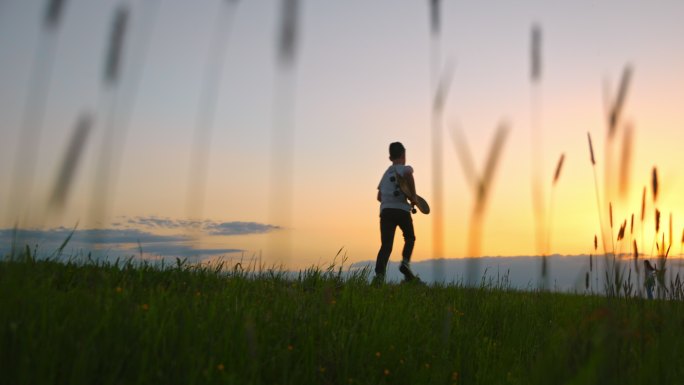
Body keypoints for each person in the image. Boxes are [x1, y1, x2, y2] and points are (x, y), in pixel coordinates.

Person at [373, 142, 421, 285]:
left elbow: (379, 197)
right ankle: (405, 263)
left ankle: (379, 277)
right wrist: (413, 196)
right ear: (403, 155)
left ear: (390, 157)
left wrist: (389, 199)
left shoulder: (386, 174)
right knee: (410, 238)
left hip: (386, 212)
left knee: (386, 245)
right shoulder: (405, 169)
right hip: (401, 210)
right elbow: (408, 175)